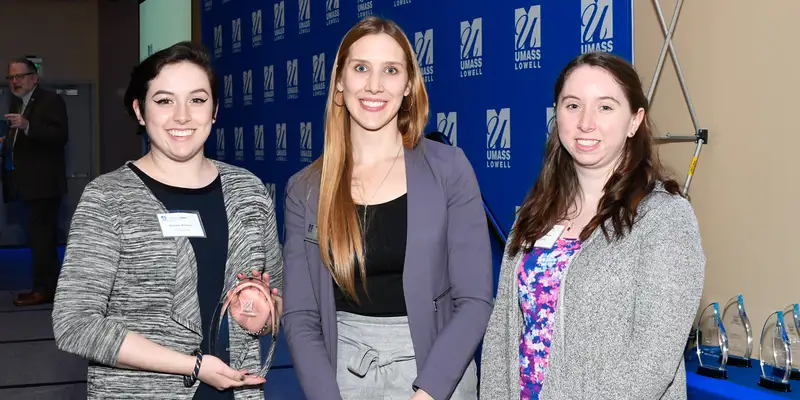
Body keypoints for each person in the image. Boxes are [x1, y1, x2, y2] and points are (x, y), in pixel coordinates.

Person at [51, 41, 283, 399]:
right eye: (163, 100)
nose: (182, 116)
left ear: (215, 109)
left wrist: (261, 312)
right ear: (140, 111)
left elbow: (276, 301)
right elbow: (75, 324)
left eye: (197, 99)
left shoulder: (248, 192)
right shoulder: (108, 198)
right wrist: (191, 365)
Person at [281, 16, 493, 400]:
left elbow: (475, 300)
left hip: (437, 374)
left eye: (391, 70)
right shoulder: (305, 189)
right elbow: (301, 316)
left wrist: (428, 392)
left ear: (408, 85)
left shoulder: (450, 169)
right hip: (342, 376)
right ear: (340, 83)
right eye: (361, 68)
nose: (374, 85)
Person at [479, 52, 706, 400]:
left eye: (605, 107)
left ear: (635, 120)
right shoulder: (535, 213)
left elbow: (652, 365)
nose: (586, 122)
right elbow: (502, 334)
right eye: (573, 105)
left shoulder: (665, 219)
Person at [2, 57, 68, 307]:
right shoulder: (17, 102)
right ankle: (45, 287)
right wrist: (6, 143)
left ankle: (44, 289)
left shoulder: (51, 100)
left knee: (42, 239)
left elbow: (60, 135)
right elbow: (23, 142)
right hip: (26, 183)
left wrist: (28, 125)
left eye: (19, 76)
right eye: (11, 78)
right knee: (39, 238)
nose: (15, 82)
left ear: (34, 78)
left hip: (44, 184)